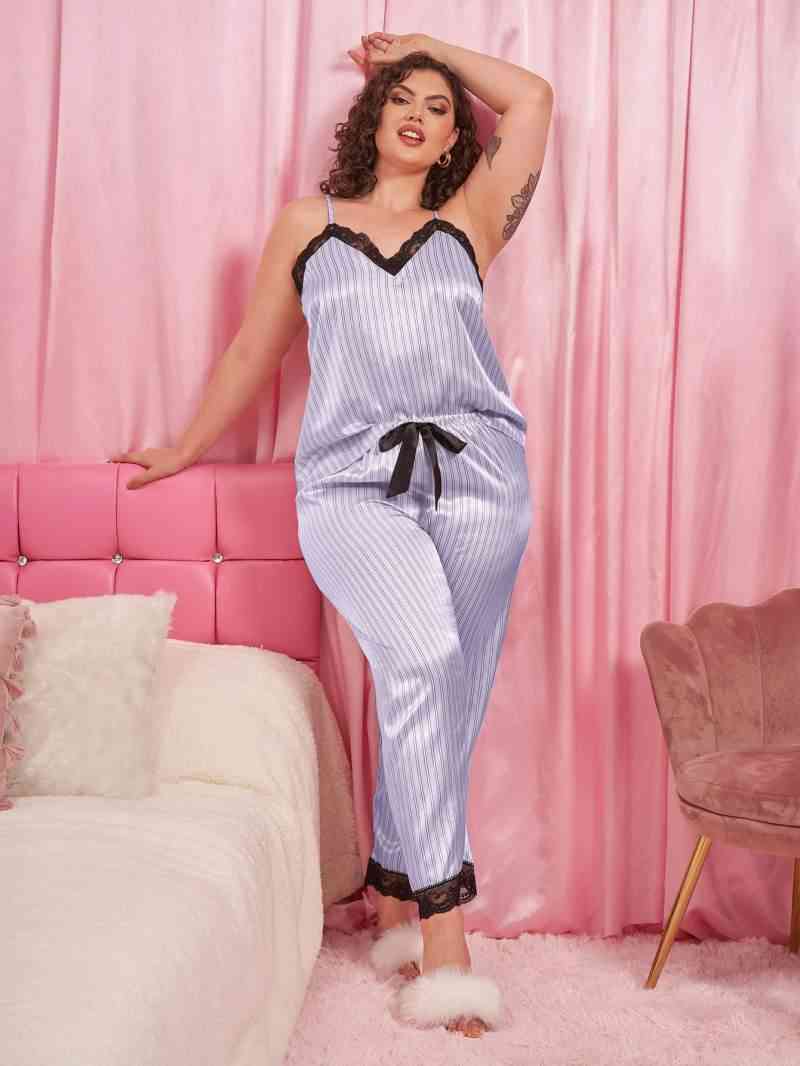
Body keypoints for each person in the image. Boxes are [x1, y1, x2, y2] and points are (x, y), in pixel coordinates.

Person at [111, 31, 552, 1039]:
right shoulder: (308, 225)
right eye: (404, 96)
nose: (421, 113)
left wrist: (428, 48)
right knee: (422, 657)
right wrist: (184, 446)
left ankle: (393, 886)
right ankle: (444, 933)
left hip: (483, 481)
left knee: (452, 692)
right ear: (372, 114)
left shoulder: (469, 220)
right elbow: (254, 349)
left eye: (439, 106)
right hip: (353, 484)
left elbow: (530, 100)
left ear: (454, 138)